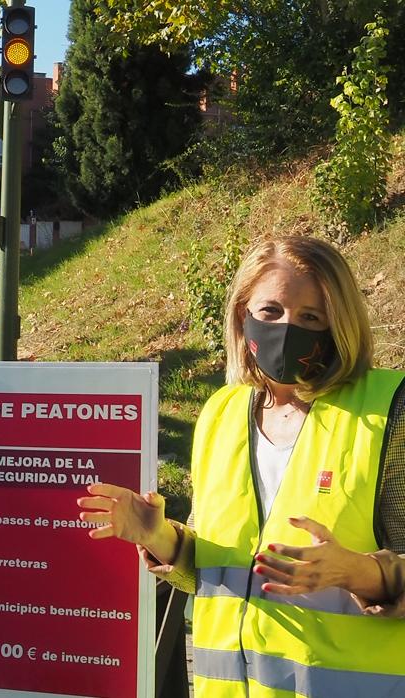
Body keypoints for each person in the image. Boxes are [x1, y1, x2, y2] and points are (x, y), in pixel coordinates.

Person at [77, 235, 405, 696]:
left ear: (339, 324)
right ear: (242, 316)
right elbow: (219, 570)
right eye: (271, 311)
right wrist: (163, 539)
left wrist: (355, 572)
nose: (288, 329)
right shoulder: (221, 413)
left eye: (310, 317)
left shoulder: (391, 410)